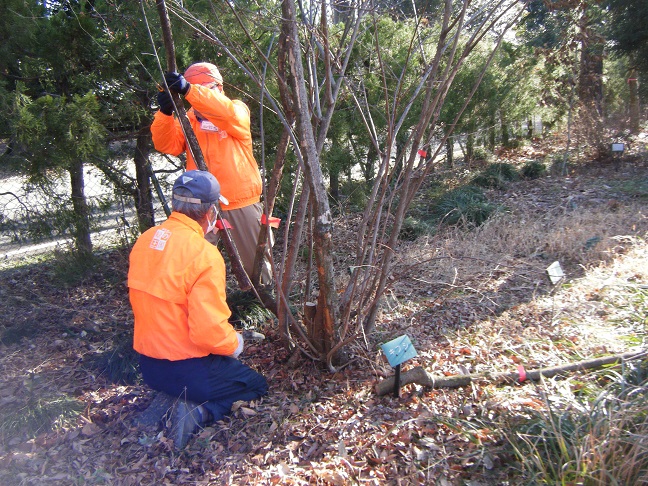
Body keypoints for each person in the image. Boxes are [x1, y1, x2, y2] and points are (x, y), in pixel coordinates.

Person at [128, 170, 268, 448]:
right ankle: (199, 411)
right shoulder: (203, 254)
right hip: (188, 368)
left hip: (149, 367)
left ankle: (179, 398)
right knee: (255, 385)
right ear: (211, 212)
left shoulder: (146, 240)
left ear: (175, 205)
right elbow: (209, 332)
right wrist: (234, 344)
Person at [151, 62, 273, 285]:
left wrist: (190, 90)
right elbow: (166, 144)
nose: (201, 94)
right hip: (200, 205)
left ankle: (264, 303)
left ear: (219, 87)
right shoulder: (187, 120)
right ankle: (204, 307)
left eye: (206, 88)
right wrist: (165, 113)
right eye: (195, 89)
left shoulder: (236, 109)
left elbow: (226, 114)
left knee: (257, 265)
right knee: (195, 266)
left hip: (239, 200)